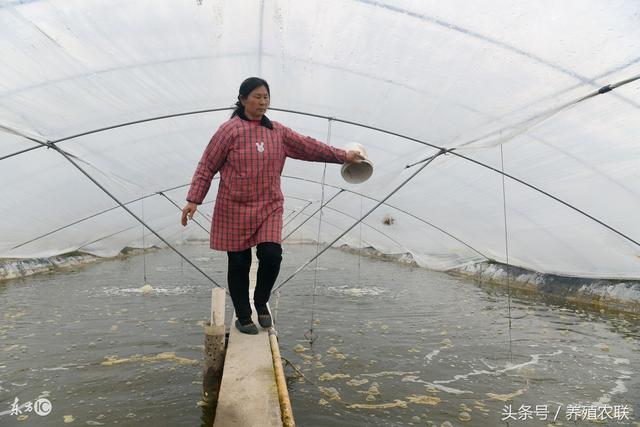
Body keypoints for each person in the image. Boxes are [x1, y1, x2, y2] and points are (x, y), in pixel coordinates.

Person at [181, 77, 363, 335]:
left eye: (266, 96)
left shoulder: (277, 132)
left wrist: (343, 155)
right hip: (234, 207)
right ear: (243, 99)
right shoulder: (228, 131)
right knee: (239, 262)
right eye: (257, 96)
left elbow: (309, 147)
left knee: (271, 255)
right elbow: (207, 166)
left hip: (269, 205)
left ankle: (260, 301)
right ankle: (244, 315)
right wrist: (193, 200)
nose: (263, 101)